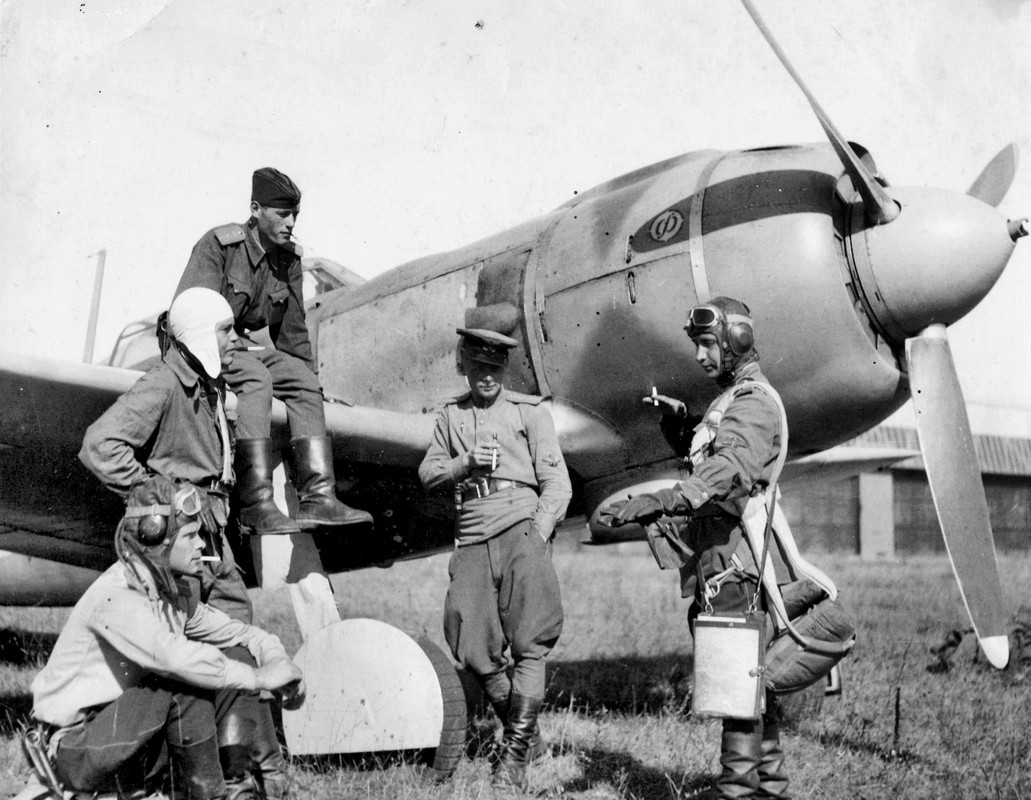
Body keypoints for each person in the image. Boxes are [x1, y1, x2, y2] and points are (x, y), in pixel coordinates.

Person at [79, 287, 290, 799]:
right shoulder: (164, 384)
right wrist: (161, 499)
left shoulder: (206, 384)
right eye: (223, 331)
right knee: (224, 636)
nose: (232, 340)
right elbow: (99, 446)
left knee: (229, 634)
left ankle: (240, 768)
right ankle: (241, 771)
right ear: (196, 334)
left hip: (209, 532)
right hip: (186, 536)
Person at [600, 297, 792, 800]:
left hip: (735, 560)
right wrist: (683, 426)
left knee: (735, 672)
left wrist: (667, 497)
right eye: (699, 346)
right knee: (746, 673)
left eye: (709, 344)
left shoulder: (752, 401)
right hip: (717, 559)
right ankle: (767, 788)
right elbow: (718, 450)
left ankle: (737, 791)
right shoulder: (731, 400)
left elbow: (732, 468)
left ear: (736, 341)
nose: (702, 356)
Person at [30, 477, 305, 800]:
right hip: (74, 749)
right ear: (157, 538)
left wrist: (276, 660)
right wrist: (259, 678)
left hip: (123, 740)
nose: (202, 545)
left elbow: (239, 633)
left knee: (236, 656)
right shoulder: (116, 596)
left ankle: (236, 787)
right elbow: (176, 659)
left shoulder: (172, 590)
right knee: (186, 681)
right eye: (190, 535)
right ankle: (208, 795)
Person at [173, 166, 371, 535]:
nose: (291, 222)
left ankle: (317, 497)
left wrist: (309, 380)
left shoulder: (288, 259)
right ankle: (254, 503)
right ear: (255, 209)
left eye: (295, 214)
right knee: (256, 377)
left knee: (302, 380)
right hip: (201, 346)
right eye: (282, 213)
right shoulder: (219, 246)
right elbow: (190, 316)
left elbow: (292, 333)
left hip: (237, 347)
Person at [418, 328, 572, 792]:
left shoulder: (530, 413)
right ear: (464, 366)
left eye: (496, 369)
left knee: (530, 640)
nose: (487, 377)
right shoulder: (451, 415)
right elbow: (428, 473)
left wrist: (536, 534)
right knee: (470, 643)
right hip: (471, 536)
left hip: (520, 525)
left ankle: (514, 759)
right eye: (478, 367)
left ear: (506, 370)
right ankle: (532, 742)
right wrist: (464, 463)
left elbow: (557, 484)